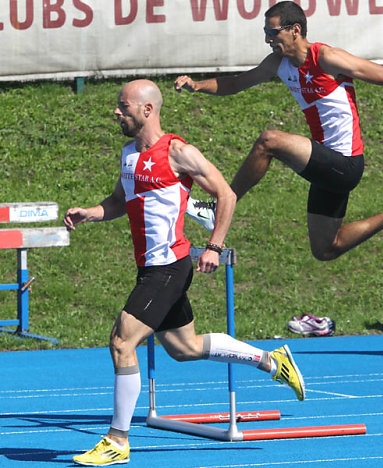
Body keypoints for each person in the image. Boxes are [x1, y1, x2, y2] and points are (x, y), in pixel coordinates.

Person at [64, 79, 305, 466]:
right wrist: (90, 213)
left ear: (147, 110)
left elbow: (226, 195)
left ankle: (117, 440)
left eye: (123, 106)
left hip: (168, 268)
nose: (116, 112)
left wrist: (214, 246)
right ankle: (273, 361)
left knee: (122, 342)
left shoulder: (178, 152)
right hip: (150, 270)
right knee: (184, 348)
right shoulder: (128, 154)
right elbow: (118, 201)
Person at [175, 1, 383, 260]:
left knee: (269, 141)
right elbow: (236, 83)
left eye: (273, 32)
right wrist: (196, 86)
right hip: (327, 163)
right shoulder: (276, 63)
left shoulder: (326, 57)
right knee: (325, 248)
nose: (268, 39)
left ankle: (218, 208)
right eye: (265, 33)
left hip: (346, 163)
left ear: (295, 30)